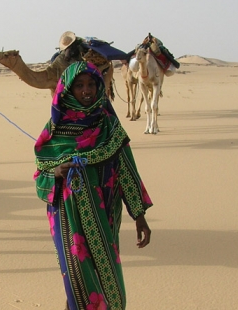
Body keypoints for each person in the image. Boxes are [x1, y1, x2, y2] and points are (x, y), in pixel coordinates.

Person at [33, 61, 153, 310]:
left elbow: (127, 169)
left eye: (91, 84)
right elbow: (40, 174)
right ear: (68, 89)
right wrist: (56, 172)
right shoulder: (54, 130)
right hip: (68, 214)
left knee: (102, 270)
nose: (86, 91)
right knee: (76, 273)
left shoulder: (109, 125)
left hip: (106, 211)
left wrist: (139, 215)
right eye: (79, 85)